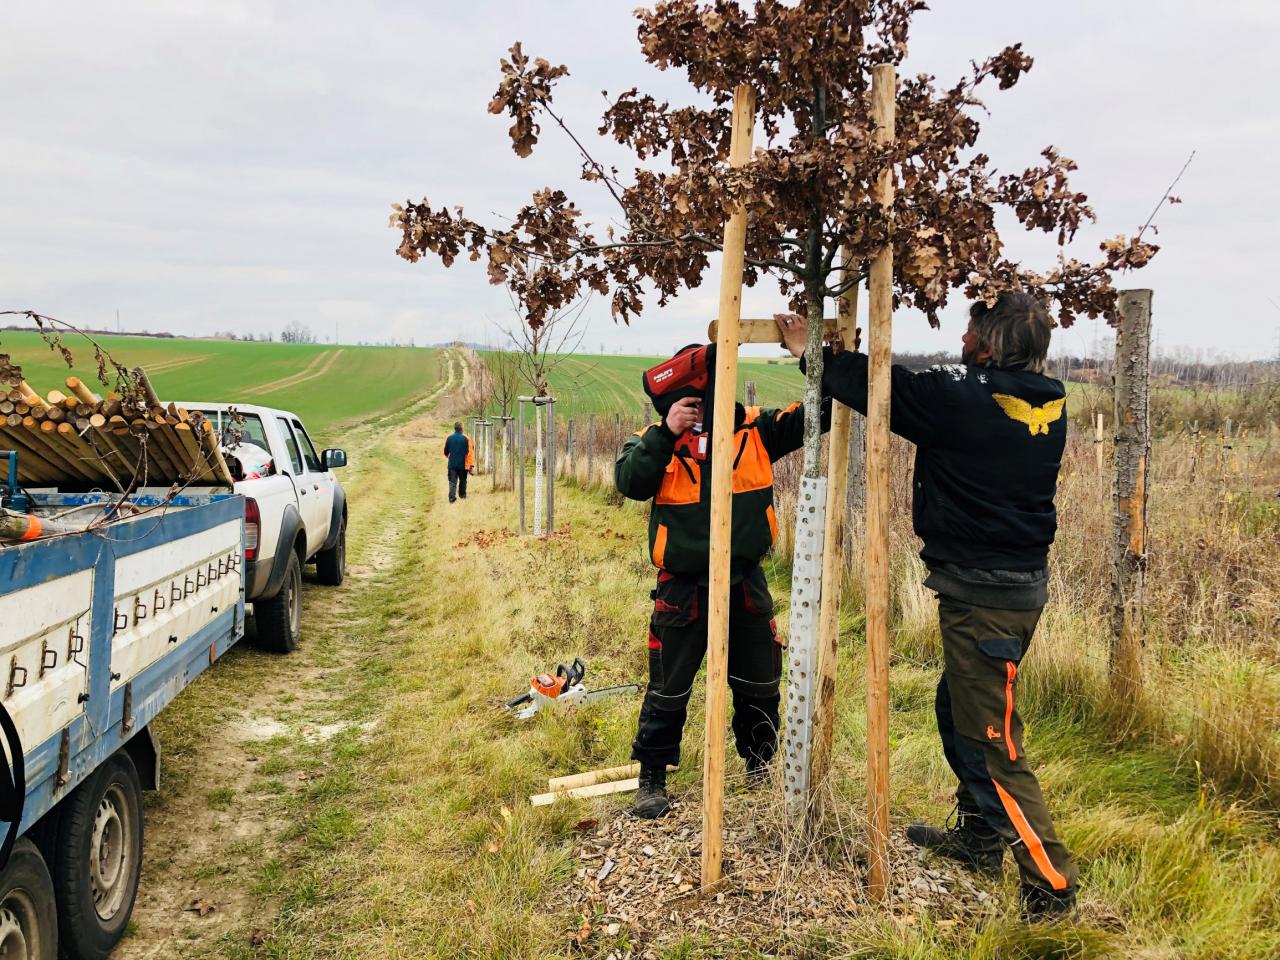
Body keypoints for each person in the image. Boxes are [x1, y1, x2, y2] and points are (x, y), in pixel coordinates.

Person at [775, 292, 1077, 920]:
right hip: (1014, 590)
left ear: (988, 347)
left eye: (971, 333)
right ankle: (979, 836)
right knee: (955, 709)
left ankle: (1050, 885)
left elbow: (884, 389)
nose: (961, 341)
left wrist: (813, 354)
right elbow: (913, 385)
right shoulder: (1049, 400)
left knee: (994, 743)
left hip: (983, 599)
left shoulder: (961, 399)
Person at [616, 344, 828, 819]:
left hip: (744, 580)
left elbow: (820, 414)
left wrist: (813, 355)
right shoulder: (656, 438)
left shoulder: (755, 429)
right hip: (682, 587)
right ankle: (652, 777)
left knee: (760, 683)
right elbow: (629, 482)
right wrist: (667, 432)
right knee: (668, 688)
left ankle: (759, 767)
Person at [442, 422, 474, 503]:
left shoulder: (449, 438)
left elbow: (445, 452)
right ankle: (462, 495)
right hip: (463, 464)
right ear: (462, 429)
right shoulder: (466, 439)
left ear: (455, 428)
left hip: (452, 464)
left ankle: (452, 498)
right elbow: (468, 452)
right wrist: (470, 465)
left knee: (452, 482)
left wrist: (450, 457)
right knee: (463, 481)